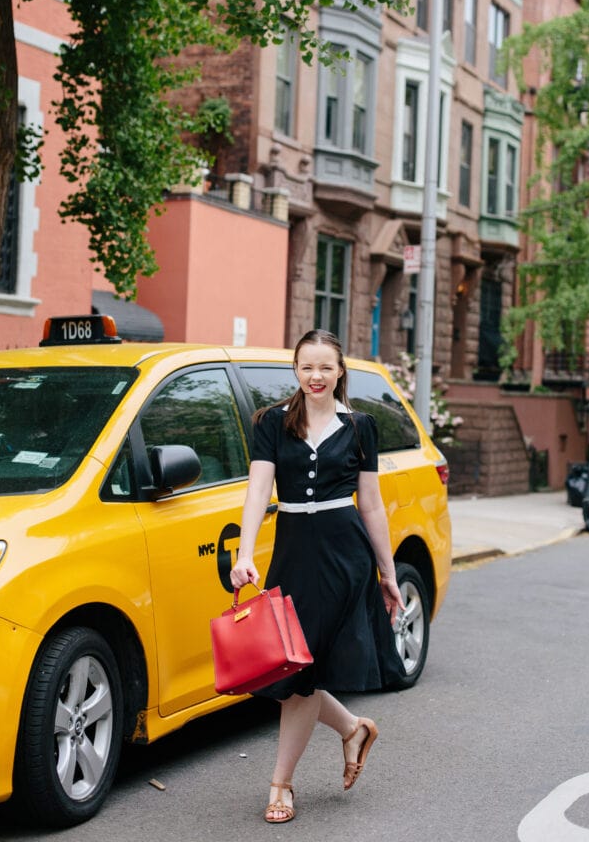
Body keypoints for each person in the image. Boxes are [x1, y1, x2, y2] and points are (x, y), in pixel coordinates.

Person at [231, 328, 407, 824]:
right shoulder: (271, 423)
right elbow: (256, 489)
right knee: (297, 667)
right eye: (307, 367)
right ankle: (354, 728)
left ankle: (281, 784)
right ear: (295, 370)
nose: (316, 376)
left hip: (346, 555)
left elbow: (370, 503)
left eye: (325, 367)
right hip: (294, 552)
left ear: (340, 371)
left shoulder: (360, 427)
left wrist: (387, 572)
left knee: (301, 677)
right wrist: (245, 555)